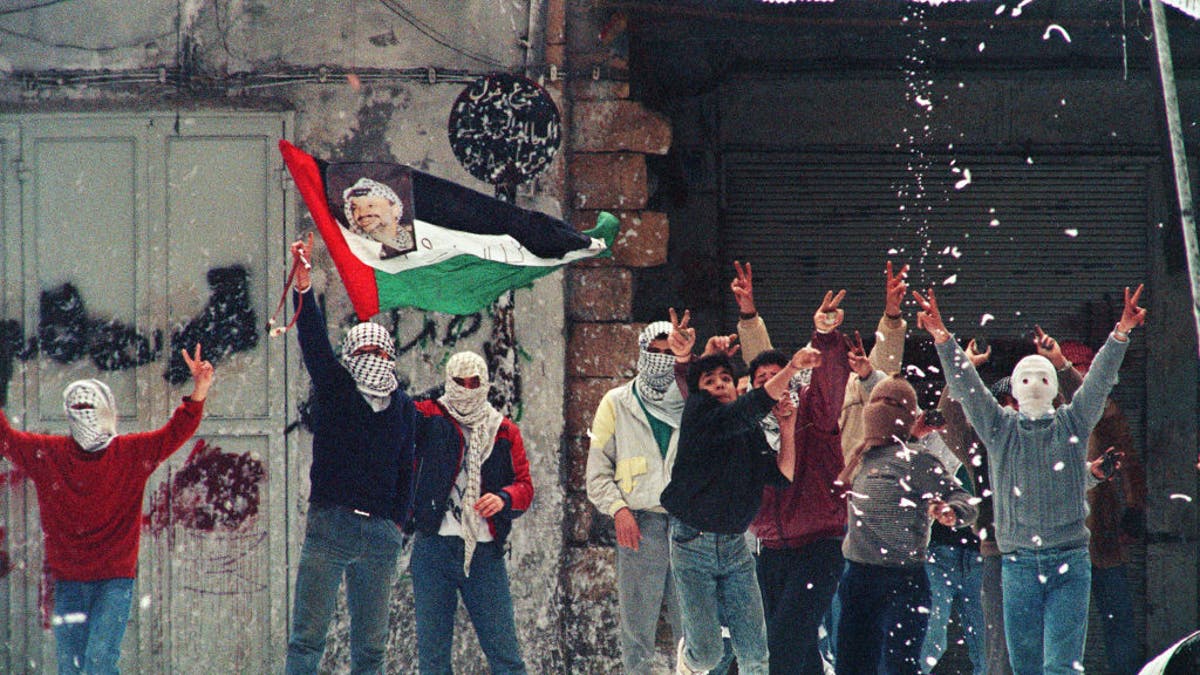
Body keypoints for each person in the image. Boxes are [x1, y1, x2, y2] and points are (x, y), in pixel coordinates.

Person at [917, 285, 1146, 675]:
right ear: (1015, 393)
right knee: (1023, 667)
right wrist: (942, 337)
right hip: (1017, 563)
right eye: (1025, 381)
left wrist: (1120, 333)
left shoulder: (1071, 423)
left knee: (1060, 666)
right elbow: (968, 390)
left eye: (1041, 380)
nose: (1034, 386)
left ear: (1055, 388)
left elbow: (1098, 381)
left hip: (1069, 561)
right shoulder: (1000, 428)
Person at [0, 345, 214, 674]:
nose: (85, 414)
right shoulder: (50, 455)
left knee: (99, 661)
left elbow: (175, 432)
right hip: (69, 581)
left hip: (114, 581)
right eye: (78, 408)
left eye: (90, 407)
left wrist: (199, 391)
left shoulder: (128, 453)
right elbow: (7, 440)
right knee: (71, 667)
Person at [662, 308, 819, 675]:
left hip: (735, 548)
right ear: (700, 392)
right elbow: (747, 407)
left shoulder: (747, 430)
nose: (718, 384)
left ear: (736, 386)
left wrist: (788, 423)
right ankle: (689, 662)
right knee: (709, 654)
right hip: (692, 545)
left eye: (724, 379)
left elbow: (782, 475)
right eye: (709, 380)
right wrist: (792, 368)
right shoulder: (700, 416)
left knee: (754, 657)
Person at [285, 235, 414, 674]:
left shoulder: (402, 404)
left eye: (380, 351)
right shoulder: (337, 388)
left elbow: (406, 468)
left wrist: (397, 523)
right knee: (307, 640)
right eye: (364, 350)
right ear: (350, 356)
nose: (374, 358)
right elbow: (314, 343)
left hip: (380, 535)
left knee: (371, 650)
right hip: (331, 524)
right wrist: (304, 288)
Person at [737, 284, 859, 675]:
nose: (771, 382)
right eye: (761, 379)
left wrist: (823, 336)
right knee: (798, 649)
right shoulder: (746, 428)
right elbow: (702, 410)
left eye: (778, 374)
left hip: (818, 546)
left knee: (783, 645)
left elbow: (829, 381)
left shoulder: (813, 412)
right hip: (770, 550)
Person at [835, 375, 978, 675]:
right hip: (858, 578)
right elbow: (837, 489)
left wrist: (952, 511)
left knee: (898, 667)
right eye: (876, 401)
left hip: (904, 580)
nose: (879, 409)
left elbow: (962, 497)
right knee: (851, 665)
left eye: (891, 403)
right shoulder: (860, 456)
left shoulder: (918, 460)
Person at [408, 350, 533, 674]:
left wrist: (504, 498)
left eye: (474, 382)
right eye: (459, 382)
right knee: (433, 659)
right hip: (433, 547)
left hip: (483, 550)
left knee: (505, 654)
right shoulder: (427, 417)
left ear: (484, 383)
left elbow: (525, 487)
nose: (466, 388)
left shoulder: (503, 430)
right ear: (448, 381)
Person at [586, 320, 684, 674]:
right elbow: (596, 474)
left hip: (689, 527)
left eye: (669, 353)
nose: (661, 360)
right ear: (642, 353)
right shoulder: (615, 403)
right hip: (639, 525)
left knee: (693, 631)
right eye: (654, 353)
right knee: (637, 631)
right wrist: (618, 509)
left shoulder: (693, 401)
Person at [1060, 339, 1147, 675]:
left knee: (1116, 620)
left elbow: (1129, 462)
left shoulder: (1105, 410)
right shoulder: (1042, 414)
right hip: (1062, 539)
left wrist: (1134, 511)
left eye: (1083, 367)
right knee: (1066, 626)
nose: (1080, 375)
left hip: (1101, 533)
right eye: (1076, 367)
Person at [342, 176, 416, 258]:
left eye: (370, 205)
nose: (362, 213)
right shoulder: (351, 248)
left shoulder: (416, 236)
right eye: (355, 208)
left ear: (395, 210)